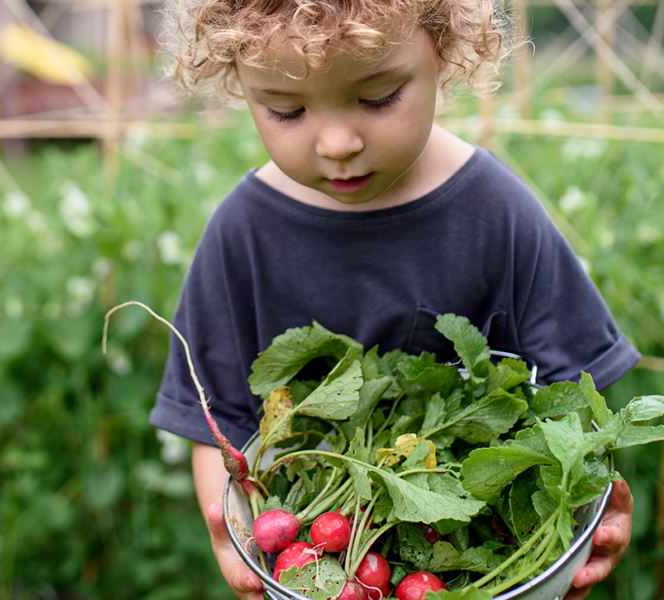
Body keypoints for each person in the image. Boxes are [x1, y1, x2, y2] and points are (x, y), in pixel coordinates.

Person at [149, 0, 639, 598]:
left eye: (378, 98)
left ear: (445, 49)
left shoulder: (499, 216)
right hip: (317, 569)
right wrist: (244, 542)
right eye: (285, 109)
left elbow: (577, 415)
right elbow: (218, 425)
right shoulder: (241, 236)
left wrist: (581, 517)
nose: (336, 142)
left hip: (475, 565)